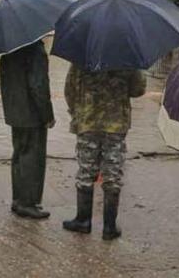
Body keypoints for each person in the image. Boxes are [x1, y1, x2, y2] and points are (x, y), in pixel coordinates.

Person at [62, 64, 146, 240]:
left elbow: (70, 88)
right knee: (113, 173)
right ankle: (109, 226)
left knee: (86, 170)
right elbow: (138, 89)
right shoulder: (127, 58)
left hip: (87, 121)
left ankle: (83, 220)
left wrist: (76, 112)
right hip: (115, 124)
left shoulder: (82, 58)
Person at [0, 41, 55, 219]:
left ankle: (18, 200)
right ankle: (28, 203)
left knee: (19, 155)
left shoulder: (8, 49)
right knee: (33, 158)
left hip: (15, 113)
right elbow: (39, 85)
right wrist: (47, 115)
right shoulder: (35, 49)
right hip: (32, 115)